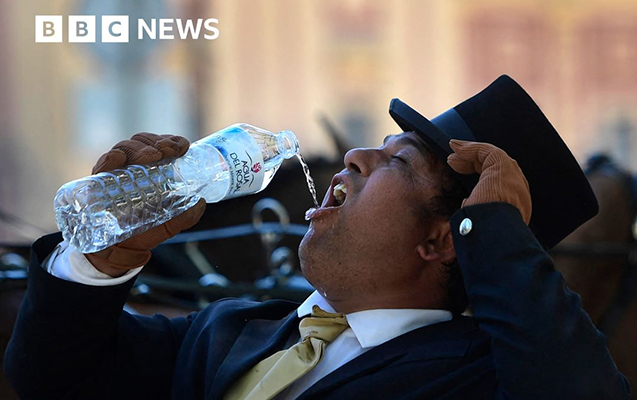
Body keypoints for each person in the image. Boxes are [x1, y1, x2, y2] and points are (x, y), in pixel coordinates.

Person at [4, 75, 632, 400]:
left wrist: (494, 230)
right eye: (379, 145)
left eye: (398, 162)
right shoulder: (226, 331)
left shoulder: (471, 381)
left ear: (442, 240)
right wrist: (98, 260)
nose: (353, 157)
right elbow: (51, 377)